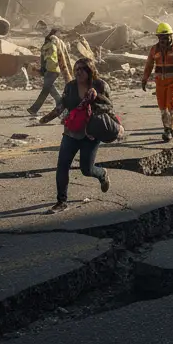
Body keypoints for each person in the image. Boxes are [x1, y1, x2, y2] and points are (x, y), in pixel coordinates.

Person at [38, 57, 112, 213]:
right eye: (76, 69)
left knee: (86, 170)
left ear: (90, 70)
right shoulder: (70, 86)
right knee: (62, 166)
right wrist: (47, 118)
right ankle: (61, 201)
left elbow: (108, 107)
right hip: (71, 133)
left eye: (82, 69)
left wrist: (94, 98)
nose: (78, 72)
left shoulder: (100, 85)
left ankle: (102, 174)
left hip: (90, 135)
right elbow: (62, 106)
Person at [142, 22, 173, 140]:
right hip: (160, 83)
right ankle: (166, 128)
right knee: (162, 107)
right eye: (161, 37)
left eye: (166, 37)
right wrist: (144, 79)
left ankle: (171, 129)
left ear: (171, 36)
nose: (163, 40)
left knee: (172, 105)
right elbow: (149, 66)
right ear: (158, 37)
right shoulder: (154, 50)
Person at [28, 28, 73, 116]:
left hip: (51, 70)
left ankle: (61, 106)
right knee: (49, 89)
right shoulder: (57, 44)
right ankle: (34, 109)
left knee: (46, 90)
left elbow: (49, 58)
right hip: (54, 70)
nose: (59, 36)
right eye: (58, 33)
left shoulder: (51, 45)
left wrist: (45, 68)